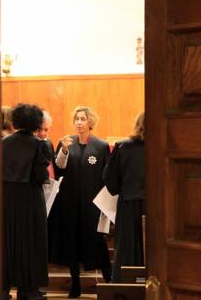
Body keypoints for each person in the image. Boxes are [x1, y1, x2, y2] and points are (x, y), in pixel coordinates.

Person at [48, 106, 111, 298]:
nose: (79, 122)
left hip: (92, 205)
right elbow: (59, 169)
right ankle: (75, 282)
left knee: (97, 242)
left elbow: (106, 175)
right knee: (71, 243)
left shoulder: (100, 146)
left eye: (82, 119)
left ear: (90, 122)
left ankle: (110, 282)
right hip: (69, 203)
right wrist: (64, 151)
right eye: (76, 119)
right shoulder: (66, 143)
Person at [2, 103, 49, 300]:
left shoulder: (2, 143)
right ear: (36, 123)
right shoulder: (39, 144)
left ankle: (2, 290)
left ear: (16, 120)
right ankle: (28, 291)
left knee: (6, 243)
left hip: (6, 200)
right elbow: (41, 175)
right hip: (30, 201)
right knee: (31, 245)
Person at [103, 112, 145, 283]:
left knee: (127, 250)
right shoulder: (163, 145)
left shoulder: (123, 147)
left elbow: (110, 181)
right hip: (158, 206)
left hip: (129, 204)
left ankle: (125, 290)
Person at [35, 111, 55, 179]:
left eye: (46, 130)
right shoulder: (29, 146)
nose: (42, 133)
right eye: (39, 129)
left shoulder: (48, 143)